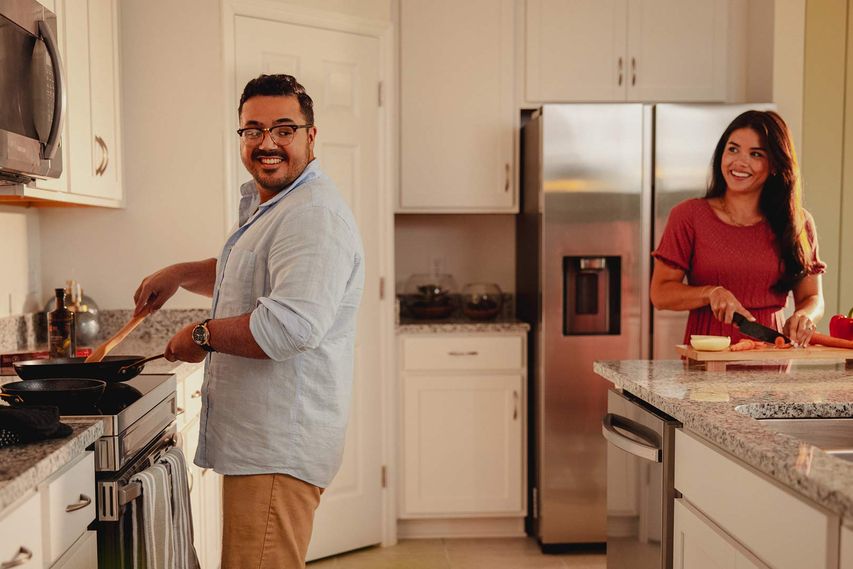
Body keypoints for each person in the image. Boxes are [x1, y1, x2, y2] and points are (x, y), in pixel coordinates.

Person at [132, 74, 364, 568]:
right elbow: (257, 270)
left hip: (276, 448)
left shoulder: (312, 214)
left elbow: (290, 327)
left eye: (284, 129)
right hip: (264, 445)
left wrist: (201, 335)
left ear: (311, 135)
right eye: (253, 130)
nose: (268, 143)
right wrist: (181, 274)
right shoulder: (281, 206)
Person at [650, 110, 825, 347]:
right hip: (707, 357)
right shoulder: (688, 216)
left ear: (774, 164)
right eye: (733, 149)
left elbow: (812, 297)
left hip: (771, 354)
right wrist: (710, 293)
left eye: (755, 154)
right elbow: (660, 294)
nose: (740, 162)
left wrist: (805, 316)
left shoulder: (798, 223)